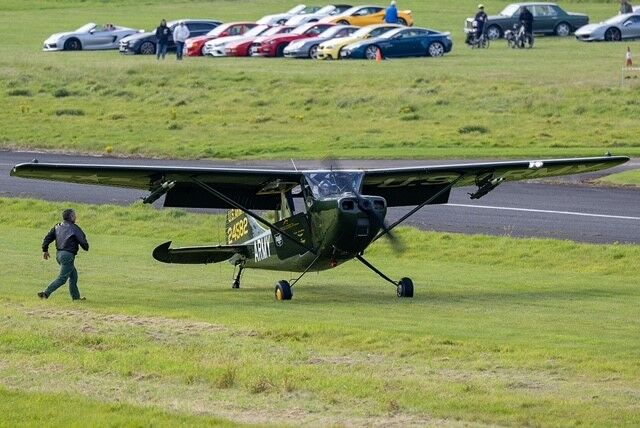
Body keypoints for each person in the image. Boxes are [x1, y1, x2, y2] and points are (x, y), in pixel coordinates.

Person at [38, 209, 89, 301]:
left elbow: (47, 238)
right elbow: (83, 241)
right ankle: (46, 293)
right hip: (68, 256)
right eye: (74, 215)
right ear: (71, 217)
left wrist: (45, 250)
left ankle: (76, 298)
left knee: (73, 276)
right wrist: (85, 246)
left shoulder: (57, 226)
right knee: (62, 278)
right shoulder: (74, 228)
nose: (76, 217)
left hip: (59, 255)